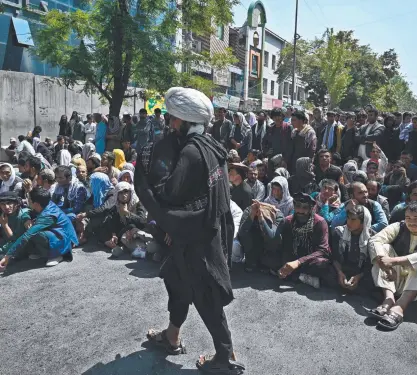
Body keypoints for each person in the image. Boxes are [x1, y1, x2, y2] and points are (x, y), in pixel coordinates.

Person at [135, 87, 244, 373]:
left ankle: (225, 357)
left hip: (197, 236)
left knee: (205, 295)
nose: (170, 125)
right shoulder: (211, 145)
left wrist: (145, 181)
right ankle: (172, 336)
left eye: (174, 120)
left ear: (185, 122)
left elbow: (169, 193)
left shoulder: (191, 153)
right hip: (203, 229)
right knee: (175, 278)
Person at [0, 187, 78, 272]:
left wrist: (7, 256)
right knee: (32, 231)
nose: (26, 201)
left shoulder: (47, 216)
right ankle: (41, 252)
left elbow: (27, 235)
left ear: (36, 203)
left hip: (64, 240)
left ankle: (57, 255)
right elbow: (28, 211)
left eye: (29, 199)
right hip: (59, 234)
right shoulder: (45, 203)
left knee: (33, 233)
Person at [367, 202, 417, 330]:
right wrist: (386, 266)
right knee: (383, 248)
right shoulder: (399, 226)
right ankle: (389, 299)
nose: (411, 222)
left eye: (416, 218)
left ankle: (399, 307)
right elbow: (375, 240)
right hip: (394, 278)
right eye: (408, 218)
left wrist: (394, 261)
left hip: (414, 287)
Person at [276, 192, 334, 289]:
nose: (300, 211)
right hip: (293, 256)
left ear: (311, 209)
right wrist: (286, 264)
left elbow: (323, 250)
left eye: (305, 208)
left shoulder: (319, 222)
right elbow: (285, 246)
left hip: (310, 259)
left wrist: (298, 262)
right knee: (269, 258)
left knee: (322, 264)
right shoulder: (288, 221)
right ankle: (301, 277)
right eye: (298, 206)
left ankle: (295, 276)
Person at [92, 181, 147, 256]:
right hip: (126, 234)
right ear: (116, 195)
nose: (124, 195)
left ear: (131, 192)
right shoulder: (116, 206)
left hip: (140, 230)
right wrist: (113, 235)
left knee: (137, 233)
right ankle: (142, 251)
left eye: (126, 192)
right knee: (124, 237)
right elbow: (111, 224)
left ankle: (147, 249)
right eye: (120, 193)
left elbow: (142, 221)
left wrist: (126, 212)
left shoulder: (138, 203)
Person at [332, 205, 374, 293]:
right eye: (348, 218)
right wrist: (340, 272)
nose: (349, 222)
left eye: (353, 219)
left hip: (361, 273)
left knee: (375, 277)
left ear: (363, 222)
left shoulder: (372, 238)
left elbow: (371, 265)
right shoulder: (339, 232)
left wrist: (358, 277)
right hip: (342, 269)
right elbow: (334, 257)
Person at [238, 200, 284, 272]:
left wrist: (261, 218)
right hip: (253, 248)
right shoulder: (249, 211)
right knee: (248, 232)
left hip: (268, 250)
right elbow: (242, 233)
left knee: (276, 237)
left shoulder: (278, 215)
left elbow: (272, 236)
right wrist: (252, 215)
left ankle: (266, 263)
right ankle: (252, 260)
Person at [0, 191, 31, 257]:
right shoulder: (3, 216)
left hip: (19, 247)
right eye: (2, 204)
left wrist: (5, 225)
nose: (6, 207)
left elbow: (15, 240)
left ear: (16, 204)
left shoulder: (24, 215)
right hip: (5, 245)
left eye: (9, 203)